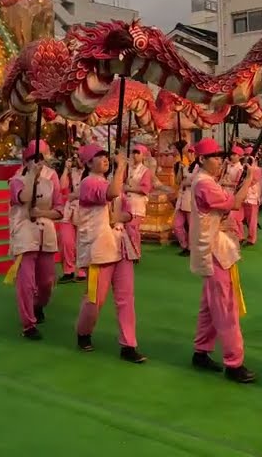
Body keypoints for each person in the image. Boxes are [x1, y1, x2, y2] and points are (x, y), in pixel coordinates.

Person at [189, 137, 260, 383]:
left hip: (215, 245)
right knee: (225, 306)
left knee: (210, 305)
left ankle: (201, 350)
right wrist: (248, 179)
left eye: (221, 156)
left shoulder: (205, 181)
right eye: (215, 157)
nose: (220, 161)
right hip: (215, 249)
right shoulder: (204, 184)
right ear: (202, 160)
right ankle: (234, 362)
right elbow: (235, 202)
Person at [74, 143, 145, 363]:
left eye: (106, 155)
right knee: (95, 299)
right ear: (87, 163)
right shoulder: (88, 183)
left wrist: (120, 217)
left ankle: (128, 345)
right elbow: (112, 193)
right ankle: (83, 331)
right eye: (99, 157)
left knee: (126, 299)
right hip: (99, 249)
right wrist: (122, 167)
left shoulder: (109, 182)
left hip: (121, 246)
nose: (105, 159)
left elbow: (128, 213)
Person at [7, 140, 66, 340]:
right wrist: (31, 176)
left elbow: (59, 209)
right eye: (33, 159)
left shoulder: (52, 178)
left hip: (46, 232)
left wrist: (43, 212)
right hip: (24, 232)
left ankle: (38, 305)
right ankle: (28, 324)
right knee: (26, 281)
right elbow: (23, 198)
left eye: (41, 158)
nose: (38, 163)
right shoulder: (16, 179)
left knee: (47, 281)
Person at [122, 144, 155, 260]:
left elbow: (145, 189)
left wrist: (128, 188)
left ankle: (136, 253)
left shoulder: (145, 171)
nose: (134, 155)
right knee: (126, 228)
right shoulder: (128, 168)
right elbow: (122, 181)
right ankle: (128, 252)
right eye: (133, 152)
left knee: (132, 228)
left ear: (143, 156)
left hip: (138, 203)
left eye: (137, 153)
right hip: (126, 202)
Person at [59, 152, 85, 282]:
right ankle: (68, 270)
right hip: (69, 211)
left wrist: (76, 196)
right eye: (76, 157)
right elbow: (62, 186)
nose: (78, 160)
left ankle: (81, 270)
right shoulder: (71, 172)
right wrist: (65, 169)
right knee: (66, 241)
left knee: (81, 242)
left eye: (80, 158)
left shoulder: (91, 174)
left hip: (84, 211)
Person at [172, 146, 198, 255]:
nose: (190, 154)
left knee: (191, 226)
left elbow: (197, 182)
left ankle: (191, 248)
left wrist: (185, 183)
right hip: (182, 198)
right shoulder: (186, 167)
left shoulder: (198, 168)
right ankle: (184, 244)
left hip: (191, 198)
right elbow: (178, 181)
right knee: (176, 225)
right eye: (189, 152)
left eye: (192, 152)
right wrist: (180, 170)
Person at [242, 146, 262, 245]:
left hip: (252, 197)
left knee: (252, 220)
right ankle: (242, 236)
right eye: (245, 155)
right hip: (243, 196)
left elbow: (252, 181)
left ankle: (251, 238)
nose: (247, 157)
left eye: (249, 155)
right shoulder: (242, 167)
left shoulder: (257, 169)